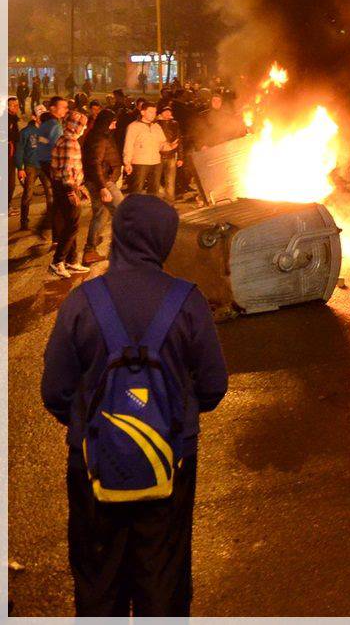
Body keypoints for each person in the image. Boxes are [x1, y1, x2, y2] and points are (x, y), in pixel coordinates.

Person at [40, 194, 228, 615]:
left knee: (98, 577)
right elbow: (214, 386)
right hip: (171, 460)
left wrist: (93, 423)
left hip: (92, 462)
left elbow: (55, 390)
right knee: (163, 578)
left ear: (119, 235)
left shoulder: (82, 301)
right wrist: (171, 412)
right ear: (164, 240)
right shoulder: (188, 301)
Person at [48, 110, 92, 278]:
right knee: (72, 225)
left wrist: (80, 188)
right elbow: (66, 169)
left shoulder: (66, 139)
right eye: (82, 125)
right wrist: (71, 191)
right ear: (76, 126)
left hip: (65, 186)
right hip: (66, 187)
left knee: (69, 223)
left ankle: (71, 261)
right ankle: (57, 261)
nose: (84, 127)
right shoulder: (70, 142)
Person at [81, 109, 124, 266]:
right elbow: (95, 162)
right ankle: (127, 251)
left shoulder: (103, 135)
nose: (115, 124)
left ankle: (90, 251)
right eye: (113, 121)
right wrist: (103, 187)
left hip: (103, 181)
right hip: (103, 182)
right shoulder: (98, 137)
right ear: (106, 122)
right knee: (122, 213)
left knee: (100, 216)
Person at [16, 104, 56, 234]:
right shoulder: (26, 132)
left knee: (50, 194)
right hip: (31, 167)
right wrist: (20, 168)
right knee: (28, 194)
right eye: (40, 116)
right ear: (34, 117)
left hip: (45, 166)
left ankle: (50, 221)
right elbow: (20, 150)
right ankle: (24, 222)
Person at [122, 102, 166, 196]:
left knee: (154, 191)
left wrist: (169, 146)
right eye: (150, 112)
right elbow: (128, 145)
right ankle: (135, 209)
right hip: (139, 163)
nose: (153, 114)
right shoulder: (133, 127)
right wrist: (127, 162)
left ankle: (151, 209)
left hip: (155, 162)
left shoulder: (156, 127)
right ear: (142, 112)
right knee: (137, 190)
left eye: (154, 112)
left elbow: (162, 143)